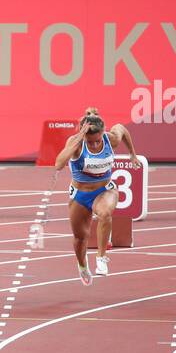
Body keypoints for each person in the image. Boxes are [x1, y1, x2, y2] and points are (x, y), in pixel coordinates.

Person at [56, 108, 140, 284]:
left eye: (97, 140)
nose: (94, 145)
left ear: (104, 133)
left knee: (104, 213)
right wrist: (79, 137)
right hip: (80, 195)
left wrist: (132, 153)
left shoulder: (111, 139)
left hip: (104, 190)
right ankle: (82, 266)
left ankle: (101, 258)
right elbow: (59, 164)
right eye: (90, 142)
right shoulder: (77, 143)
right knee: (80, 238)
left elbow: (121, 128)